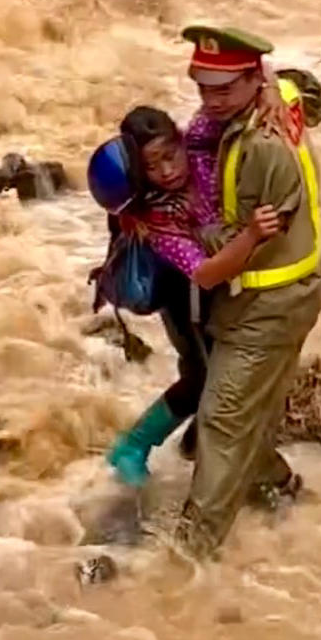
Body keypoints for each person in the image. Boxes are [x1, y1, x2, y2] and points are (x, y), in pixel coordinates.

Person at [170, 25, 321, 560]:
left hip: (270, 301)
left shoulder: (260, 147)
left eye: (224, 90)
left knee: (221, 419)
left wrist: (194, 232)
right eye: (203, 89)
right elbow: (315, 95)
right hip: (290, 290)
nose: (211, 102)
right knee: (247, 408)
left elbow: (241, 244)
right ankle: (277, 486)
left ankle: (192, 553)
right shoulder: (276, 98)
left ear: (251, 80)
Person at [91, 107, 281, 488]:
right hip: (185, 294)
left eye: (170, 155)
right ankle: (134, 446)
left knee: (213, 374)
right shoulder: (157, 216)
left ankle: (195, 441)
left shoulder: (198, 144)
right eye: (152, 166)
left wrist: (274, 88)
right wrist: (252, 236)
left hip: (212, 286)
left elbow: (235, 95)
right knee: (205, 376)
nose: (166, 171)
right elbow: (202, 272)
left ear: (180, 138)